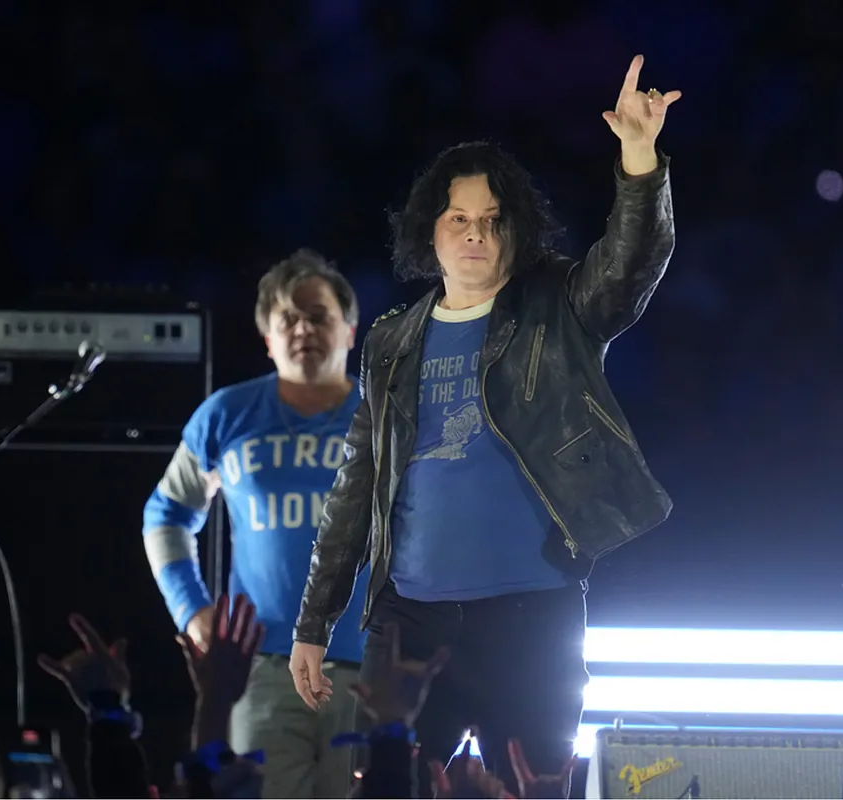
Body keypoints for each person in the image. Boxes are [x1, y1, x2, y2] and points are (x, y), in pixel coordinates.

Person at [290, 55, 679, 795]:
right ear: (429, 231)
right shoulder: (390, 340)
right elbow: (356, 487)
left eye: (493, 222)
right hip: (407, 625)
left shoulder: (557, 306)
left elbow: (630, 268)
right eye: (459, 219)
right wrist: (314, 622)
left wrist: (638, 157)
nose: (476, 235)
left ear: (515, 231)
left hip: (532, 619)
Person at [142, 249, 369, 798]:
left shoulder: (388, 414)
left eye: (317, 315)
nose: (302, 329)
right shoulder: (226, 414)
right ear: (267, 338)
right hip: (263, 668)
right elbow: (165, 515)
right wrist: (192, 612)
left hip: (370, 665)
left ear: (349, 329)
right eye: (286, 318)